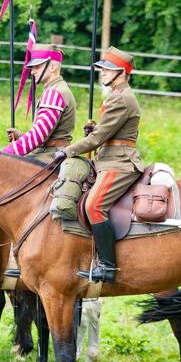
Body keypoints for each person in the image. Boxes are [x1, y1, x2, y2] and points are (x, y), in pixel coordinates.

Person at [57, 47, 144, 283]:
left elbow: (98, 139)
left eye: (108, 70)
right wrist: (94, 128)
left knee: (94, 206)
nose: (103, 73)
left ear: (122, 73)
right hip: (107, 158)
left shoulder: (123, 98)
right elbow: (103, 133)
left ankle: (108, 266)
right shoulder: (116, 95)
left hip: (120, 162)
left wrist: (67, 150)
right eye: (102, 69)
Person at [2, 44, 77, 162]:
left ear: (52, 67)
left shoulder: (54, 92)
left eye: (37, 67)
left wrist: (3, 154)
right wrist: (21, 137)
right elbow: (44, 134)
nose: (32, 72)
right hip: (48, 151)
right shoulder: (55, 89)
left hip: (51, 155)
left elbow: (37, 137)